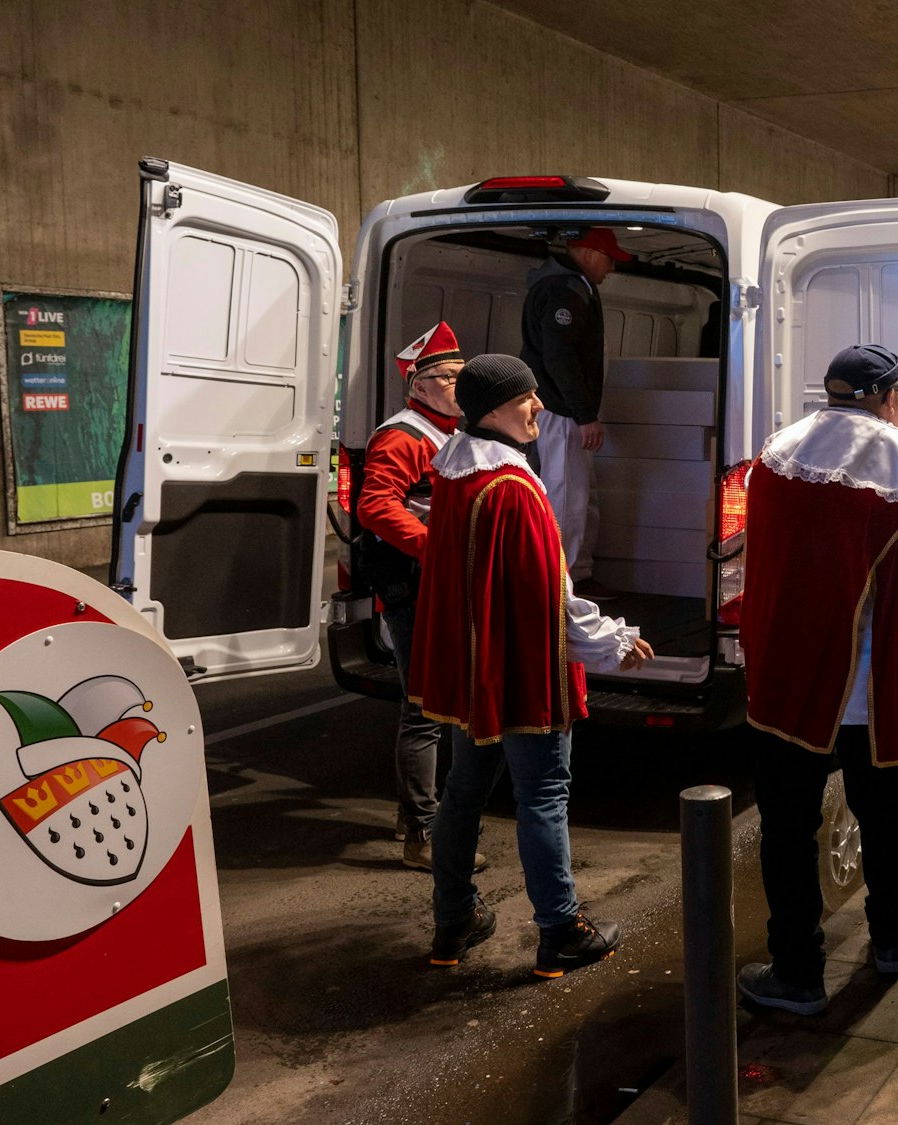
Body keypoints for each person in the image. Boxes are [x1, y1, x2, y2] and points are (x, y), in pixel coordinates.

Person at [735, 345, 898, 1014]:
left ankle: (797, 971)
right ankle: (890, 940)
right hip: (868, 696)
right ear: (890, 397)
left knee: (788, 829)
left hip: (790, 683)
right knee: (884, 812)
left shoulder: (774, 461)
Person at [410, 354, 656, 977]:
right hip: (519, 669)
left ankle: (453, 919)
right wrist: (613, 642)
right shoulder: (513, 487)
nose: (539, 408)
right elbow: (554, 592)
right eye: (528, 398)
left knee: (463, 791)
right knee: (543, 793)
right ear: (493, 409)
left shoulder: (457, 473)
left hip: (474, 672)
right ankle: (560, 930)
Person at [355, 321, 484, 873]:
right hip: (414, 584)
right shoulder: (403, 436)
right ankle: (423, 833)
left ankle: (419, 817)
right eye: (447, 376)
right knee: (426, 707)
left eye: (462, 375)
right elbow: (375, 505)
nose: (459, 384)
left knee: (439, 702)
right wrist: (435, 547)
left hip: (436, 581)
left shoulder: (451, 431)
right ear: (418, 383)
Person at [521, 229, 631, 584]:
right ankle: (561, 586)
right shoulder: (565, 290)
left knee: (581, 497)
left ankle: (578, 575)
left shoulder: (574, 286)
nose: (611, 267)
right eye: (608, 257)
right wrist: (584, 414)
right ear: (586, 252)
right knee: (566, 499)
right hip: (561, 410)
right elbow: (560, 357)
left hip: (563, 409)